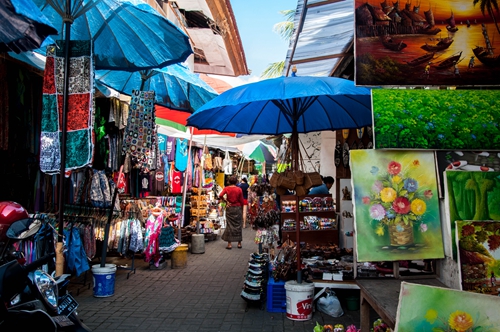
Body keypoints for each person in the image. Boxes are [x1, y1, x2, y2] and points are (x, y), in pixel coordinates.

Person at [219, 175, 244, 249]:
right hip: (237, 208)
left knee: (229, 225)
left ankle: (229, 244)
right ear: (236, 182)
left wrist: (226, 201)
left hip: (230, 208)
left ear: (229, 181)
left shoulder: (226, 188)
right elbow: (241, 201)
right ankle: (239, 243)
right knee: (238, 225)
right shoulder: (239, 189)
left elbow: (220, 195)